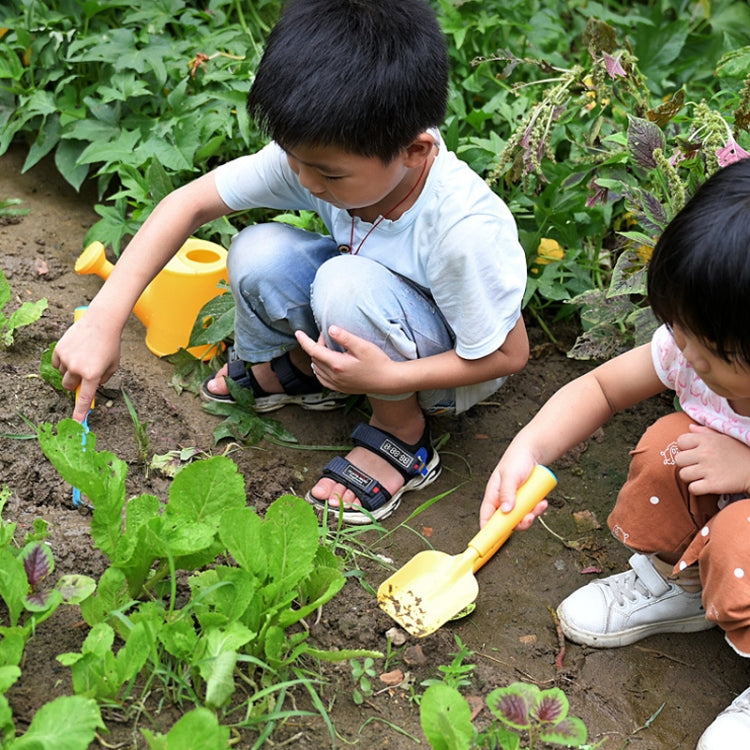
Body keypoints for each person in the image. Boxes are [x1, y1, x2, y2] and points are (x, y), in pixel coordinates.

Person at [53, 0, 529, 525]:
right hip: (367, 311)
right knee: (258, 250)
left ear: (415, 151)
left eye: (326, 174)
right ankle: (307, 371)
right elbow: (188, 203)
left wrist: (391, 379)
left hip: (448, 373)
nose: (304, 181)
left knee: (343, 283)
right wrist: (104, 318)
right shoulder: (333, 157)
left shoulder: (463, 230)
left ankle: (403, 434)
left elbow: (508, 356)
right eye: (292, 158)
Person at [479, 156, 750, 749]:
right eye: (682, 332)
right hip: (723, 505)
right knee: (666, 446)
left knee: (740, 536)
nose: (691, 360)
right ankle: (676, 585)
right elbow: (600, 388)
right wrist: (527, 448)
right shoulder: (695, 347)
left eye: (715, 353)